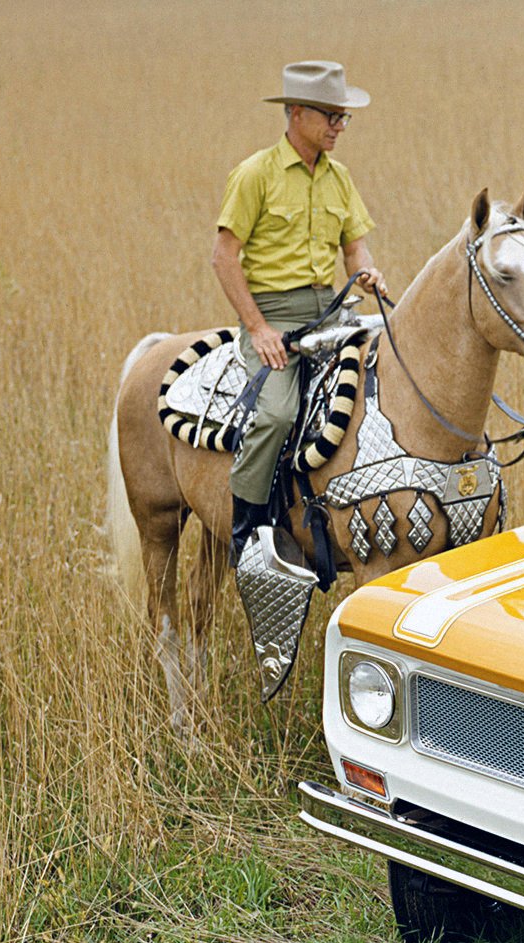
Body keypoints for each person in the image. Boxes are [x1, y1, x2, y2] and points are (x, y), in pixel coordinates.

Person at [213, 60, 388, 572]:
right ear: (295, 113)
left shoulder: (340, 179)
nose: (338, 126)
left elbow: (355, 249)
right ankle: (245, 528)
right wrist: (258, 329)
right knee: (277, 414)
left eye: (343, 118)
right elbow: (224, 257)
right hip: (273, 316)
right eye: (331, 116)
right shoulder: (255, 175)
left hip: (330, 310)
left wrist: (368, 273)